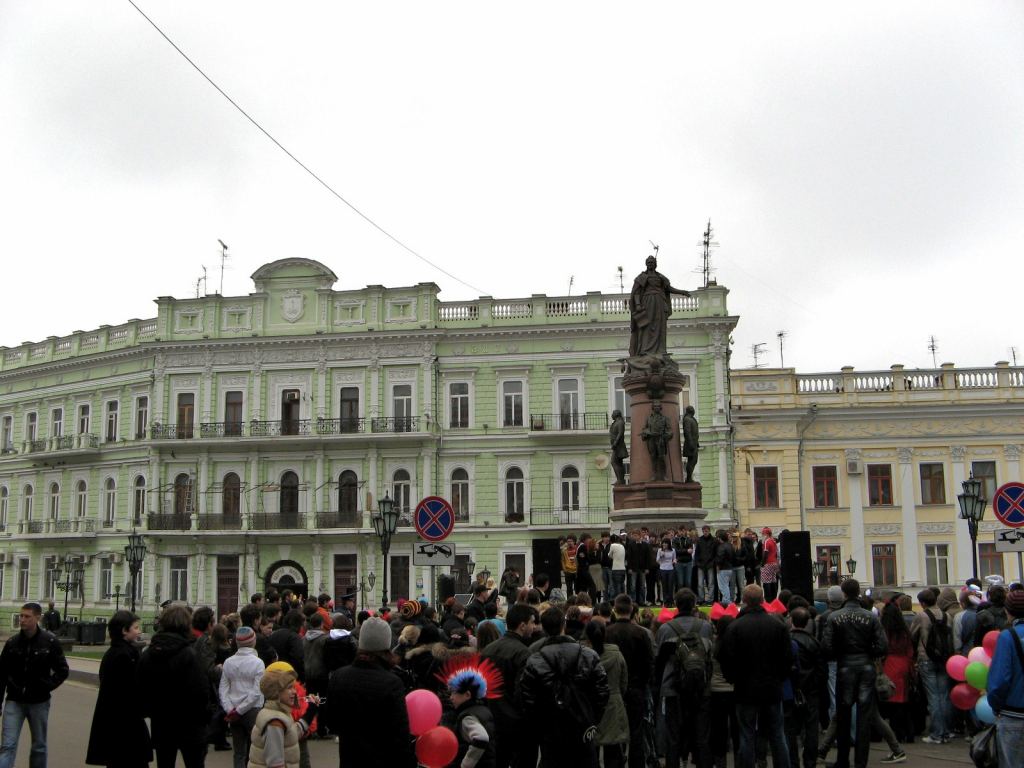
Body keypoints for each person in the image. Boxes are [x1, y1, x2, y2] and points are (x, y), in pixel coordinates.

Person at [520, 606, 610, 768]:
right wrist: (591, 718)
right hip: (582, 728)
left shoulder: (535, 660)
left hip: (551, 731)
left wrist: (540, 726)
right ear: (564, 625)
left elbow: (527, 700)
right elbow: (602, 692)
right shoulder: (589, 655)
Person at [325, 616, 415, 767]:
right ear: (386, 646)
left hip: (350, 758)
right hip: (383, 759)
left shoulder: (339, 676)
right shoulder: (392, 682)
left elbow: (332, 722)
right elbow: (400, 734)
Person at [719, 585, 791, 768]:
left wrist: (733, 679)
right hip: (772, 687)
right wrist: (779, 678)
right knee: (777, 734)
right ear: (762, 601)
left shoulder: (735, 627)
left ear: (744, 601)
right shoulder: (778, 626)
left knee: (746, 735)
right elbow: (787, 658)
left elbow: (727, 659)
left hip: (745, 689)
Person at [821, 580, 888, 768]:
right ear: (858, 592)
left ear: (843, 594)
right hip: (866, 668)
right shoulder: (871, 617)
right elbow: (883, 646)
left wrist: (841, 655)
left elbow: (826, 647)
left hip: (845, 668)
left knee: (843, 715)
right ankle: (861, 762)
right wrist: (867, 653)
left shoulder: (834, 617)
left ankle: (842, 761)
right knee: (864, 718)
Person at [137, 603, 211, 768]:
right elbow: (201, 690)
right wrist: (205, 717)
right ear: (186, 624)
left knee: (164, 763)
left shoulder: (148, 654)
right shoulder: (189, 654)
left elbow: (141, 690)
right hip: (190, 725)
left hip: (161, 723)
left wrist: (152, 710)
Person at [0, 602, 69, 768]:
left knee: (39, 746)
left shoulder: (50, 642)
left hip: (39, 702)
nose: (22, 620)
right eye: (21, 616)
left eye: (27, 616)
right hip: (14, 701)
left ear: (37, 618)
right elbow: (2, 674)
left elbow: (62, 670)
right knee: (7, 745)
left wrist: (46, 686)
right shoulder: (12, 643)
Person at [654, 588, 713, 768]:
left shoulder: (665, 629)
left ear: (676, 605)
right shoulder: (705, 627)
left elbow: (659, 662)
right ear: (694, 604)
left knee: (674, 737)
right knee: (702, 736)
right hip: (700, 687)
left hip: (672, 687)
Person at [86, 610, 151, 768]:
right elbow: (132, 690)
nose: (139, 631)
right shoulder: (125, 656)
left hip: (115, 724)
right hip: (126, 726)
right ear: (124, 630)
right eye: (135, 628)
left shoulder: (113, 653)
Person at [481, 604, 538, 768]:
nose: (534, 627)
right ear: (522, 625)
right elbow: (524, 693)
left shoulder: (488, 650)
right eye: (532, 623)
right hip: (516, 724)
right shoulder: (523, 653)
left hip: (492, 719)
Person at [605, 594, 653, 768]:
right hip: (636, 688)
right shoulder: (640, 633)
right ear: (632, 610)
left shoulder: (607, 632)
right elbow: (649, 663)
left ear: (615, 610)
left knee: (612, 733)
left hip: (613, 689)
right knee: (636, 733)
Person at [247, 667, 317, 768]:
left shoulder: (278, 713)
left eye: (294, 687)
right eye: (289, 688)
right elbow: (275, 763)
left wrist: (311, 710)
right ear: (276, 692)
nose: (294, 692)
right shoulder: (275, 722)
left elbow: (292, 734)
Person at [440, 654, 501, 768]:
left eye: (454, 692)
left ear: (467, 694)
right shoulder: (483, 709)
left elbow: (481, 738)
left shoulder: (468, 717)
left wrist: (465, 765)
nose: (451, 697)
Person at [910, 588, 953, 744]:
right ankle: (947, 731)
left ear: (922, 603)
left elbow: (912, 635)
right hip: (944, 659)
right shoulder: (947, 616)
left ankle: (936, 733)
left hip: (926, 658)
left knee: (933, 696)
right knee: (944, 695)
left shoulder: (921, 616)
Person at [628, 254, 691, 358]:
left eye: (652, 262)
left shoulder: (660, 277)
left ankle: (660, 349)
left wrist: (682, 292)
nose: (650, 264)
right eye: (648, 263)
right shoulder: (642, 277)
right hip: (647, 302)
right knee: (647, 326)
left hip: (659, 303)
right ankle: (644, 350)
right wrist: (638, 304)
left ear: (655, 264)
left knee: (659, 325)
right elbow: (636, 292)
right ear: (646, 264)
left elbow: (669, 288)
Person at [987, 588, 1024, 767]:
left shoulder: (1007, 637)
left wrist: (996, 706)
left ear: (1008, 612)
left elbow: (999, 681)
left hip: (1013, 715)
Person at [219, 626, 265, 768]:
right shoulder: (258, 663)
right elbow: (256, 691)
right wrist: (241, 709)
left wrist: (230, 709)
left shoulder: (228, 662)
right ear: (253, 641)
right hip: (252, 710)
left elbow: (223, 688)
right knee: (254, 750)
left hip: (233, 711)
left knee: (238, 752)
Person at [585, 620, 628, 768]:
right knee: (614, 751)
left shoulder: (583, 656)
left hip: (590, 707)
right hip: (613, 703)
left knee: (591, 751)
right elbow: (624, 681)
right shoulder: (616, 654)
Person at [879, 600, 915, 748]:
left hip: (889, 665)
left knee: (891, 700)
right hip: (904, 664)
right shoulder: (904, 631)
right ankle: (908, 732)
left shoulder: (885, 630)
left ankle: (896, 733)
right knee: (904, 701)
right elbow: (910, 649)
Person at [641, 402, 673, 481]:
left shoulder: (665, 418)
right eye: (655, 406)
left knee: (661, 457)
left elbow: (669, 430)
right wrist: (646, 432)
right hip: (651, 439)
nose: (657, 408)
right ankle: (654, 474)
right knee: (653, 457)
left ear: (660, 408)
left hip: (661, 439)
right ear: (653, 408)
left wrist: (667, 435)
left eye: (658, 406)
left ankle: (664, 474)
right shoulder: (649, 418)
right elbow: (644, 428)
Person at [694, 525, 716, 605]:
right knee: (700, 584)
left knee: (710, 583)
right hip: (701, 564)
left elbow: (715, 553)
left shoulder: (714, 540)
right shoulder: (700, 540)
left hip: (710, 564)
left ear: (709, 531)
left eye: (706, 531)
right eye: (704, 531)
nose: (705, 532)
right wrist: (697, 563)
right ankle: (701, 599)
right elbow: (697, 553)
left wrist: (713, 562)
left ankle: (710, 599)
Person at [713, 530, 735, 607]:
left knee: (723, 587)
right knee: (726, 586)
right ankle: (726, 601)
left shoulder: (721, 547)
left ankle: (727, 602)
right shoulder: (730, 545)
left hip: (723, 569)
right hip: (730, 568)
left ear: (720, 538)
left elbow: (720, 558)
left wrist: (717, 566)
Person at [759, 527, 780, 602]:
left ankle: (768, 599)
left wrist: (762, 563)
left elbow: (765, 553)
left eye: (762, 534)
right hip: (774, 563)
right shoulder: (773, 541)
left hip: (768, 563)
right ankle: (774, 598)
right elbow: (776, 553)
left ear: (766, 534)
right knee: (773, 581)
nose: (762, 535)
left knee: (766, 582)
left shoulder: (767, 541)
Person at [610, 409, 628, 485]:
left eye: (613, 413)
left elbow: (620, 433)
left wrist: (615, 443)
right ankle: (621, 480)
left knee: (613, 462)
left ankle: (620, 479)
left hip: (618, 446)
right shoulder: (616, 422)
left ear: (616, 414)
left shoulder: (620, 422)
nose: (611, 415)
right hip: (616, 445)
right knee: (619, 463)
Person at [656, 539, 676, 606]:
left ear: (668, 544)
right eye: (663, 543)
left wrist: (674, 561)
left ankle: (671, 601)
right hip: (662, 569)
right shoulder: (660, 550)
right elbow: (657, 560)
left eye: (665, 543)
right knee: (664, 586)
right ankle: (665, 601)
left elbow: (674, 558)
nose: (664, 544)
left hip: (670, 569)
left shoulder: (673, 550)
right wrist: (662, 555)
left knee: (670, 585)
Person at [682, 405, 699, 483]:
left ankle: (689, 477)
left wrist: (696, 443)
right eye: (692, 409)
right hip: (690, 444)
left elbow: (694, 433)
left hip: (694, 444)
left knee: (694, 461)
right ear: (690, 411)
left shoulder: (691, 419)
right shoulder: (687, 419)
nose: (694, 410)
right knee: (691, 461)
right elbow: (687, 432)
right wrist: (691, 443)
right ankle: (688, 478)